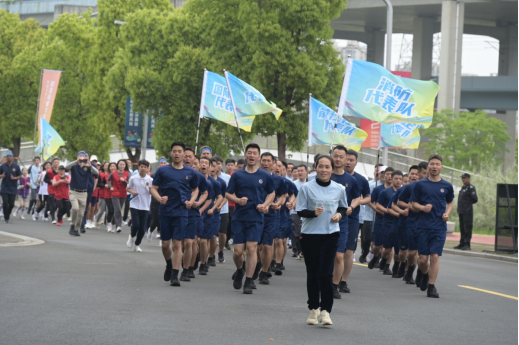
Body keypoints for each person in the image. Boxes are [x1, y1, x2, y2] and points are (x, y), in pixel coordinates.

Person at [296, 155, 348, 327]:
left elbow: (343, 206)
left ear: (332, 169)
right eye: (321, 166)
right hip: (310, 234)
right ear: (315, 168)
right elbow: (300, 210)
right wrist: (313, 213)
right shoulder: (306, 187)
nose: (324, 170)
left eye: (327, 167)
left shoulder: (339, 188)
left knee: (325, 273)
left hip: (330, 234)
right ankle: (313, 308)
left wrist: (339, 215)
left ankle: (326, 311)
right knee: (313, 273)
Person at [225, 143, 275, 294]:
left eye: (255, 153)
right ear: (245, 155)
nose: (252, 155)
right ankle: (240, 270)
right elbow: (228, 193)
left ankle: (248, 280)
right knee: (238, 252)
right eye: (249, 153)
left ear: (258, 157)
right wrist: (238, 201)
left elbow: (271, 193)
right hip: (240, 217)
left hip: (256, 217)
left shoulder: (265, 175)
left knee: (252, 249)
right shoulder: (237, 175)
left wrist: (265, 205)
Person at [151, 141, 199, 287]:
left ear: (184, 154)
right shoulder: (162, 171)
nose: (177, 154)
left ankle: (175, 274)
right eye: (174, 151)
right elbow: (153, 188)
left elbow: (196, 189)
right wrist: (160, 198)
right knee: (166, 245)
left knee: (178, 243)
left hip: (182, 212)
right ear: (171, 153)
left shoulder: (190, 172)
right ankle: (168, 264)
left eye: (179, 151)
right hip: (165, 211)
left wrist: (191, 200)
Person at [411, 155, 454, 299]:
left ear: (441, 167)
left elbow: (450, 203)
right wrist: (423, 208)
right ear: (428, 167)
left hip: (439, 226)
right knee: (423, 260)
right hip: (423, 226)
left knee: (434, 256)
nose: (434, 167)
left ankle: (431, 286)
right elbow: (413, 203)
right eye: (432, 164)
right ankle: (424, 273)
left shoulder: (447, 186)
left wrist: (447, 214)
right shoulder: (420, 184)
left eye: (437, 164)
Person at [330, 146, 360, 299]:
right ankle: (326, 280)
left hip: (342, 221)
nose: (338, 159)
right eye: (335, 156)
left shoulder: (351, 179)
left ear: (346, 158)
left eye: (341, 156)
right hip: (325, 221)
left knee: (339, 256)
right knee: (326, 255)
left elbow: (357, 197)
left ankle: (335, 285)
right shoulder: (325, 175)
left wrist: (351, 207)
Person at [340, 149, 372, 292]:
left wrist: (358, 202)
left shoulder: (360, 179)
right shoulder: (334, 176)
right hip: (333, 218)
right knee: (335, 251)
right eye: (346, 159)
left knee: (348, 252)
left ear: (356, 162)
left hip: (352, 219)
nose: (348, 162)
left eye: (351, 160)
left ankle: (343, 281)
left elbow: (368, 197)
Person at [397, 161, 429, 285]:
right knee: (412, 253)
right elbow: (399, 201)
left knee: (424, 256)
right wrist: (413, 207)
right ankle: (410, 268)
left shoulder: (434, 187)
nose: (426, 175)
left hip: (427, 224)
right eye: (424, 173)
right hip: (411, 222)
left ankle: (422, 274)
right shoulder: (410, 187)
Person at [258, 153, 287, 285]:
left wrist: (278, 203)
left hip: (271, 216)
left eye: (268, 161)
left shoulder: (279, 180)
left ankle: (264, 272)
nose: (265, 163)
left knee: (267, 246)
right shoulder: (254, 176)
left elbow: (282, 196)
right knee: (255, 246)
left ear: (273, 164)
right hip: (255, 215)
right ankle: (256, 266)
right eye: (263, 160)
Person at [392, 165, 420, 281]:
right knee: (403, 252)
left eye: (416, 174)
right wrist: (403, 211)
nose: (414, 176)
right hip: (404, 223)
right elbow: (394, 204)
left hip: (418, 223)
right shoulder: (403, 189)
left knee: (414, 251)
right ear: (408, 175)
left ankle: (410, 270)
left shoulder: (423, 188)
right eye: (412, 173)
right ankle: (402, 264)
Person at [183, 150, 208, 279]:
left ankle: (188, 269)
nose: (188, 159)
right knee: (179, 243)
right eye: (185, 156)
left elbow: (205, 194)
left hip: (193, 213)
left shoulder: (199, 176)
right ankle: (176, 264)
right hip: (177, 211)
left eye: (190, 157)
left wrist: (198, 204)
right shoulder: (175, 173)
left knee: (190, 242)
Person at [65, 152, 99, 236]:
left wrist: (90, 165)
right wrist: (76, 161)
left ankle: (76, 228)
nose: (81, 158)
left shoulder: (88, 167)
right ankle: (72, 225)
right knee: (75, 208)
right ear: (77, 157)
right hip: (73, 191)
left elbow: (96, 172)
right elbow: (66, 167)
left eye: (83, 156)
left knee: (81, 213)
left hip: (84, 193)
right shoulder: (74, 166)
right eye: (80, 156)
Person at [367, 167, 395, 270]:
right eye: (387, 174)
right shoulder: (378, 189)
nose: (389, 176)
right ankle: (375, 258)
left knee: (389, 246)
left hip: (392, 221)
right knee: (377, 245)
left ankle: (387, 265)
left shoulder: (399, 190)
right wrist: (378, 210)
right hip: (380, 220)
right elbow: (370, 201)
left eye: (391, 174)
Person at [126, 160, 154, 253]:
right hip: (134, 204)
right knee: (136, 225)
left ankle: (137, 244)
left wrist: (151, 190)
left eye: (145, 167)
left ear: (148, 169)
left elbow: (152, 192)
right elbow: (127, 188)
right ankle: (131, 237)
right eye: (141, 166)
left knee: (142, 228)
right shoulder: (133, 178)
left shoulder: (150, 180)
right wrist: (132, 192)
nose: (143, 168)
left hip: (145, 206)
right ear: (138, 167)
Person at [197, 157, 217, 276]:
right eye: (202, 163)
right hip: (194, 213)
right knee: (194, 241)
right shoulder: (193, 178)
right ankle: (192, 260)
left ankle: (203, 263)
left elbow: (214, 198)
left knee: (204, 241)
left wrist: (211, 209)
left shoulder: (212, 183)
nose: (204, 165)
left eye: (206, 163)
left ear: (210, 167)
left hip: (207, 214)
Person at [213, 156, 231, 264]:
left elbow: (228, 194)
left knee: (222, 233)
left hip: (223, 209)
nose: (217, 166)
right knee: (212, 234)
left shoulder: (227, 178)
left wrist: (220, 205)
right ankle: (209, 254)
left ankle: (220, 251)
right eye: (215, 164)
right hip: (210, 209)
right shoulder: (207, 178)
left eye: (219, 163)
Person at [455, 173, 478, 251]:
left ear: (468, 178)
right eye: (462, 178)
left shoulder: (471, 188)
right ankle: (462, 243)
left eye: (464, 178)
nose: (463, 179)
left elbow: (475, 199)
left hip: (467, 211)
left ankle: (467, 244)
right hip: (461, 211)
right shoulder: (463, 187)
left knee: (467, 228)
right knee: (462, 228)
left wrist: (467, 204)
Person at [148, 158, 169, 240]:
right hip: (155, 200)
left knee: (162, 218)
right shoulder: (153, 176)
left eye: (164, 163)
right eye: (161, 163)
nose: (162, 164)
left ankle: (160, 232)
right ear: (158, 165)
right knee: (155, 219)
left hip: (166, 200)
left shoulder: (168, 176)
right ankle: (150, 230)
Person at [0, 153, 22, 224]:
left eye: (10, 156)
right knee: (5, 203)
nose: (9, 158)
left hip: (13, 188)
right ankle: (6, 217)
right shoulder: (3, 166)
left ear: (12, 157)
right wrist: (1, 176)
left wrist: (14, 178)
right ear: (6, 158)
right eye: (7, 156)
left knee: (12, 204)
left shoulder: (16, 166)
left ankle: (8, 213)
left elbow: (20, 176)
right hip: (4, 187)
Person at [108, 159, 130, 233]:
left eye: (123, 165)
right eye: (120, 164)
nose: (121, 166)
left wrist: (124, 181)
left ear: (125, 166)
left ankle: (113, 224)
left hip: (123, 194)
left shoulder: (127, 173)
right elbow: (108, 180)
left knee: (117, 210)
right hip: (115, 193)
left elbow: (129, 184)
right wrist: (110, 186)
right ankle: (119, 226)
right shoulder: (113, 173)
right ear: (118, 165)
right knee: (118, 210)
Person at [291, 165, 307, 258]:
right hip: (295, 211)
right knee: (297, 231)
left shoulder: (310, 183)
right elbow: (292, 196)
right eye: (298, 171)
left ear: (306, 172)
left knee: (304, 231)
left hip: (305, 211)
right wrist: (293, 203)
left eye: (302, 171)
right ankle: (297, 249)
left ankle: (302, 250)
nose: (300, 172)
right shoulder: (294, 184)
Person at [44, 158, 60, 224]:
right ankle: (53, 218)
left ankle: (50, 212)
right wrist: (50, 181)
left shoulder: (60, 171)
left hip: (58, 189)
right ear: (52, 164)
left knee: (57, 205)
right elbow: (45, 179)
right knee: (53, 204)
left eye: (57, 162)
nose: (56, 163)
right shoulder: (49, 171)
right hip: (51, 188)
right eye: (55, 162)